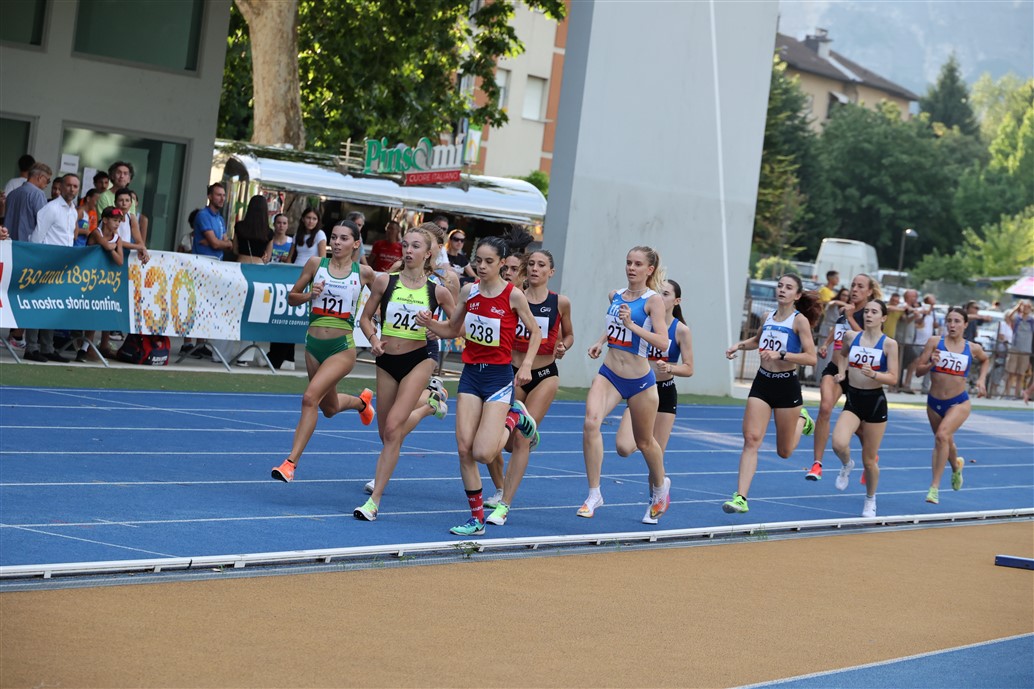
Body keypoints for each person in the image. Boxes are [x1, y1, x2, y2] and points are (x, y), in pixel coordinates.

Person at [416, 235, 543, 536]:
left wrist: (526, 365)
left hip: (498, 377)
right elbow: (453, 329)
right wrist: (429, 323)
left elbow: (536, 332)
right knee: (464, 449)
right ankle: (476, 520)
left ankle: (515, 417)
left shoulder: (513, 296)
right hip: (471, 375)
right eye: (478, 261)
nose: (482, 266)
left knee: (484, 453)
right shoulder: (468, 292)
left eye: (489, 261)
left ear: (502, 263)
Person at [352, 226, 457, 521]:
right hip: (386, 359)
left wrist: (434, 327)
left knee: (392, 428)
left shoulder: (437, 290)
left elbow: (456, 327)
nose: (408, 251)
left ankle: (374, 501)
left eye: (415, 246)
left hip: (419, 359)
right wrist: (373, 339)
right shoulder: (385, 281)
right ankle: (428, 406)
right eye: (405, 245)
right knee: (386, 433)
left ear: (428, 253)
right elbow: (365, 317)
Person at [271, 221, 378, 483]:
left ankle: (290, 463)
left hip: (341, 348)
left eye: (344, 238)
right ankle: (362, 403)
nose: (337, 243)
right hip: (313, 346)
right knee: (329, 408)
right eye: (334, 237)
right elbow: (292, 297)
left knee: (310, 398)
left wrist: (374, 319)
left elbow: (384, 295)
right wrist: (310, 295)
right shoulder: (315, 264)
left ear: (356, 243)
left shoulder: (364, 272)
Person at [580, 246, 673, 524]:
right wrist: (600, 342)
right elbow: (614, 326)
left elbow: (663, 342)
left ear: (649, 269)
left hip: (640, 382)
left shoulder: (653, 301)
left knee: (644, 442)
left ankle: (660, 489)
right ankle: (594, 494)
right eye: (629, 262)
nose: (631, 268)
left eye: (638, 264)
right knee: (591, 423)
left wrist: (632, 326)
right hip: (609, 373)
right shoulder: (615, 295)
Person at [483, 246, 574, 526]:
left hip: (544, 374)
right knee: (496, 440)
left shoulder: (560, 302)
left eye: (541, 265)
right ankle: (502, 485)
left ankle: (504, 505)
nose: (535, 268)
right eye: (531, 264)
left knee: (521, 440)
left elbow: (569, 335)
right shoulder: (513, 297)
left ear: (551, 271)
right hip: (511, 373)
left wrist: (563, 346)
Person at [723, 274, 820, 513]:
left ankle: (802, 420)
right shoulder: (767, 316)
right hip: (762, 383)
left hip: (786, 386)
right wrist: (739, 345)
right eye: (780, 286)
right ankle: (741, 498)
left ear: (797, 295)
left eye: (788, 287)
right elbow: (758, 340)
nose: (782, 290)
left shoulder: (799, 321)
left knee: (784, 452)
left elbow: (811, 358)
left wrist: (782, 355)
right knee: (751, 439)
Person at [829, 299, 899, 517]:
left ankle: (870, 499)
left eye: (874, 312)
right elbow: (842, 355)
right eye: (867, 311)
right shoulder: (852, 337)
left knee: (869, 461)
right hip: (853, 399)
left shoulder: (889, 344)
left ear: (883, 318)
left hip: (875, 402)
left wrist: (875, 374)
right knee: (838, 443)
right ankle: (847, 464)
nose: (868, 315)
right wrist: (842, 373)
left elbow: (893, 378)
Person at [806, 274, 880, 480]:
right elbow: (837, 328)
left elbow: (868, 341)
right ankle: (817, 464)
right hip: (835, 368)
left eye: (860, 286)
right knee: (825, 408)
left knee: (860, 429)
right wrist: (826, 344)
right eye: (853, 285)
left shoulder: (871, 315)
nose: (855, 289)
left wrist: (850, 318)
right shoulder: (845, 311)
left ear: (869, 291)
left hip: (857, 375)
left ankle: (870, 460)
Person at [914, 307, 989, 505]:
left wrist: (981, 379)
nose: (952, 325)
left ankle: (934, 488)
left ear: (965, 325)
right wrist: (931, 363)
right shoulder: (934, 342)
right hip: (934, 403)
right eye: (949, 321)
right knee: (946, 441)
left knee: (941, 436)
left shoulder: (972, 348)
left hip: (958, 402)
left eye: (957, 321)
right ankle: (956, 466)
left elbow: (985, 360)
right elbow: (918, 371)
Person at [614, 278, 694, 462]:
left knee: (655, 455)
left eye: (665, 294)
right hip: (641, 389)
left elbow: (689, 368)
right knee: (624, 447)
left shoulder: (681, 330)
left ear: (677, 301)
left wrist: (670, 368)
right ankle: (644, 438)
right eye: (658, 293)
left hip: (664, 391)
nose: (660, 297)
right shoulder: (642, 321)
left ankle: (659, 481)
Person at [24, 173, 80, 363]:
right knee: (38, 305)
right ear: (61, 187)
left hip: (62, 266)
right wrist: (37, 262)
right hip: (45, 264)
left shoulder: (73, 211)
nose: (72, 189)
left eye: (75, 186)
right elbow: (37, 237)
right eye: (69, 185)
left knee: (52, 306)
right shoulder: (51, 208)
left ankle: (47, 347)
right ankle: (31, 347)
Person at [5, 162, 51, 242]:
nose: (47, 185)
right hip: (27, 245)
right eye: (48, 180)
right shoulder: (38, 194)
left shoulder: (12, 194)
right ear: (40, 177)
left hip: (8, 243)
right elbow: (44, 223)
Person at [1003, 300, 1033, 399]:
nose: (1026, 308)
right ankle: (1007, 394)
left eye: (1028, 306)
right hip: (1015, 348)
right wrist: (1017, 307)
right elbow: (1008, 317)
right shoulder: (1017, 318)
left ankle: (1017, 395)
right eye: (1024, 306)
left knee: (1021, 374)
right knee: (1010, 372)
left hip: (1026, 350)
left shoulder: (1032, 320)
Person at [234, 195, 273, 264]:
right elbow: (268, 257)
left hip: (241, 263)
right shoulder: (268, 232)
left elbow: (235, 250)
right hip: (258, 265)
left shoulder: (239, 226)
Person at [113, 188, 149, 262]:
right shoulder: (110, 217)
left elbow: (139, 240)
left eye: (127, 200)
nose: (124, 203)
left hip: (125, 256)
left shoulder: (131, 217)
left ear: (131, 204)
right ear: (115, 203)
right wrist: (139, 247)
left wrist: (143, 249)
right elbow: (116, 241)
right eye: (121, 200)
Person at [896, 289, 921, 392]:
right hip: (902, 339)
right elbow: (904, 319)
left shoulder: (913, 309)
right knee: (915, 359)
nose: (915, 299)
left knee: (902, 364)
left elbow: (919, 321)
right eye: (913, 296)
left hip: (909, 340)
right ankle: (903, 384)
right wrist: (914, 315)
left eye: (916, 296)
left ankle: (901, 384)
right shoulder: (902, 306)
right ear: (907, 297)